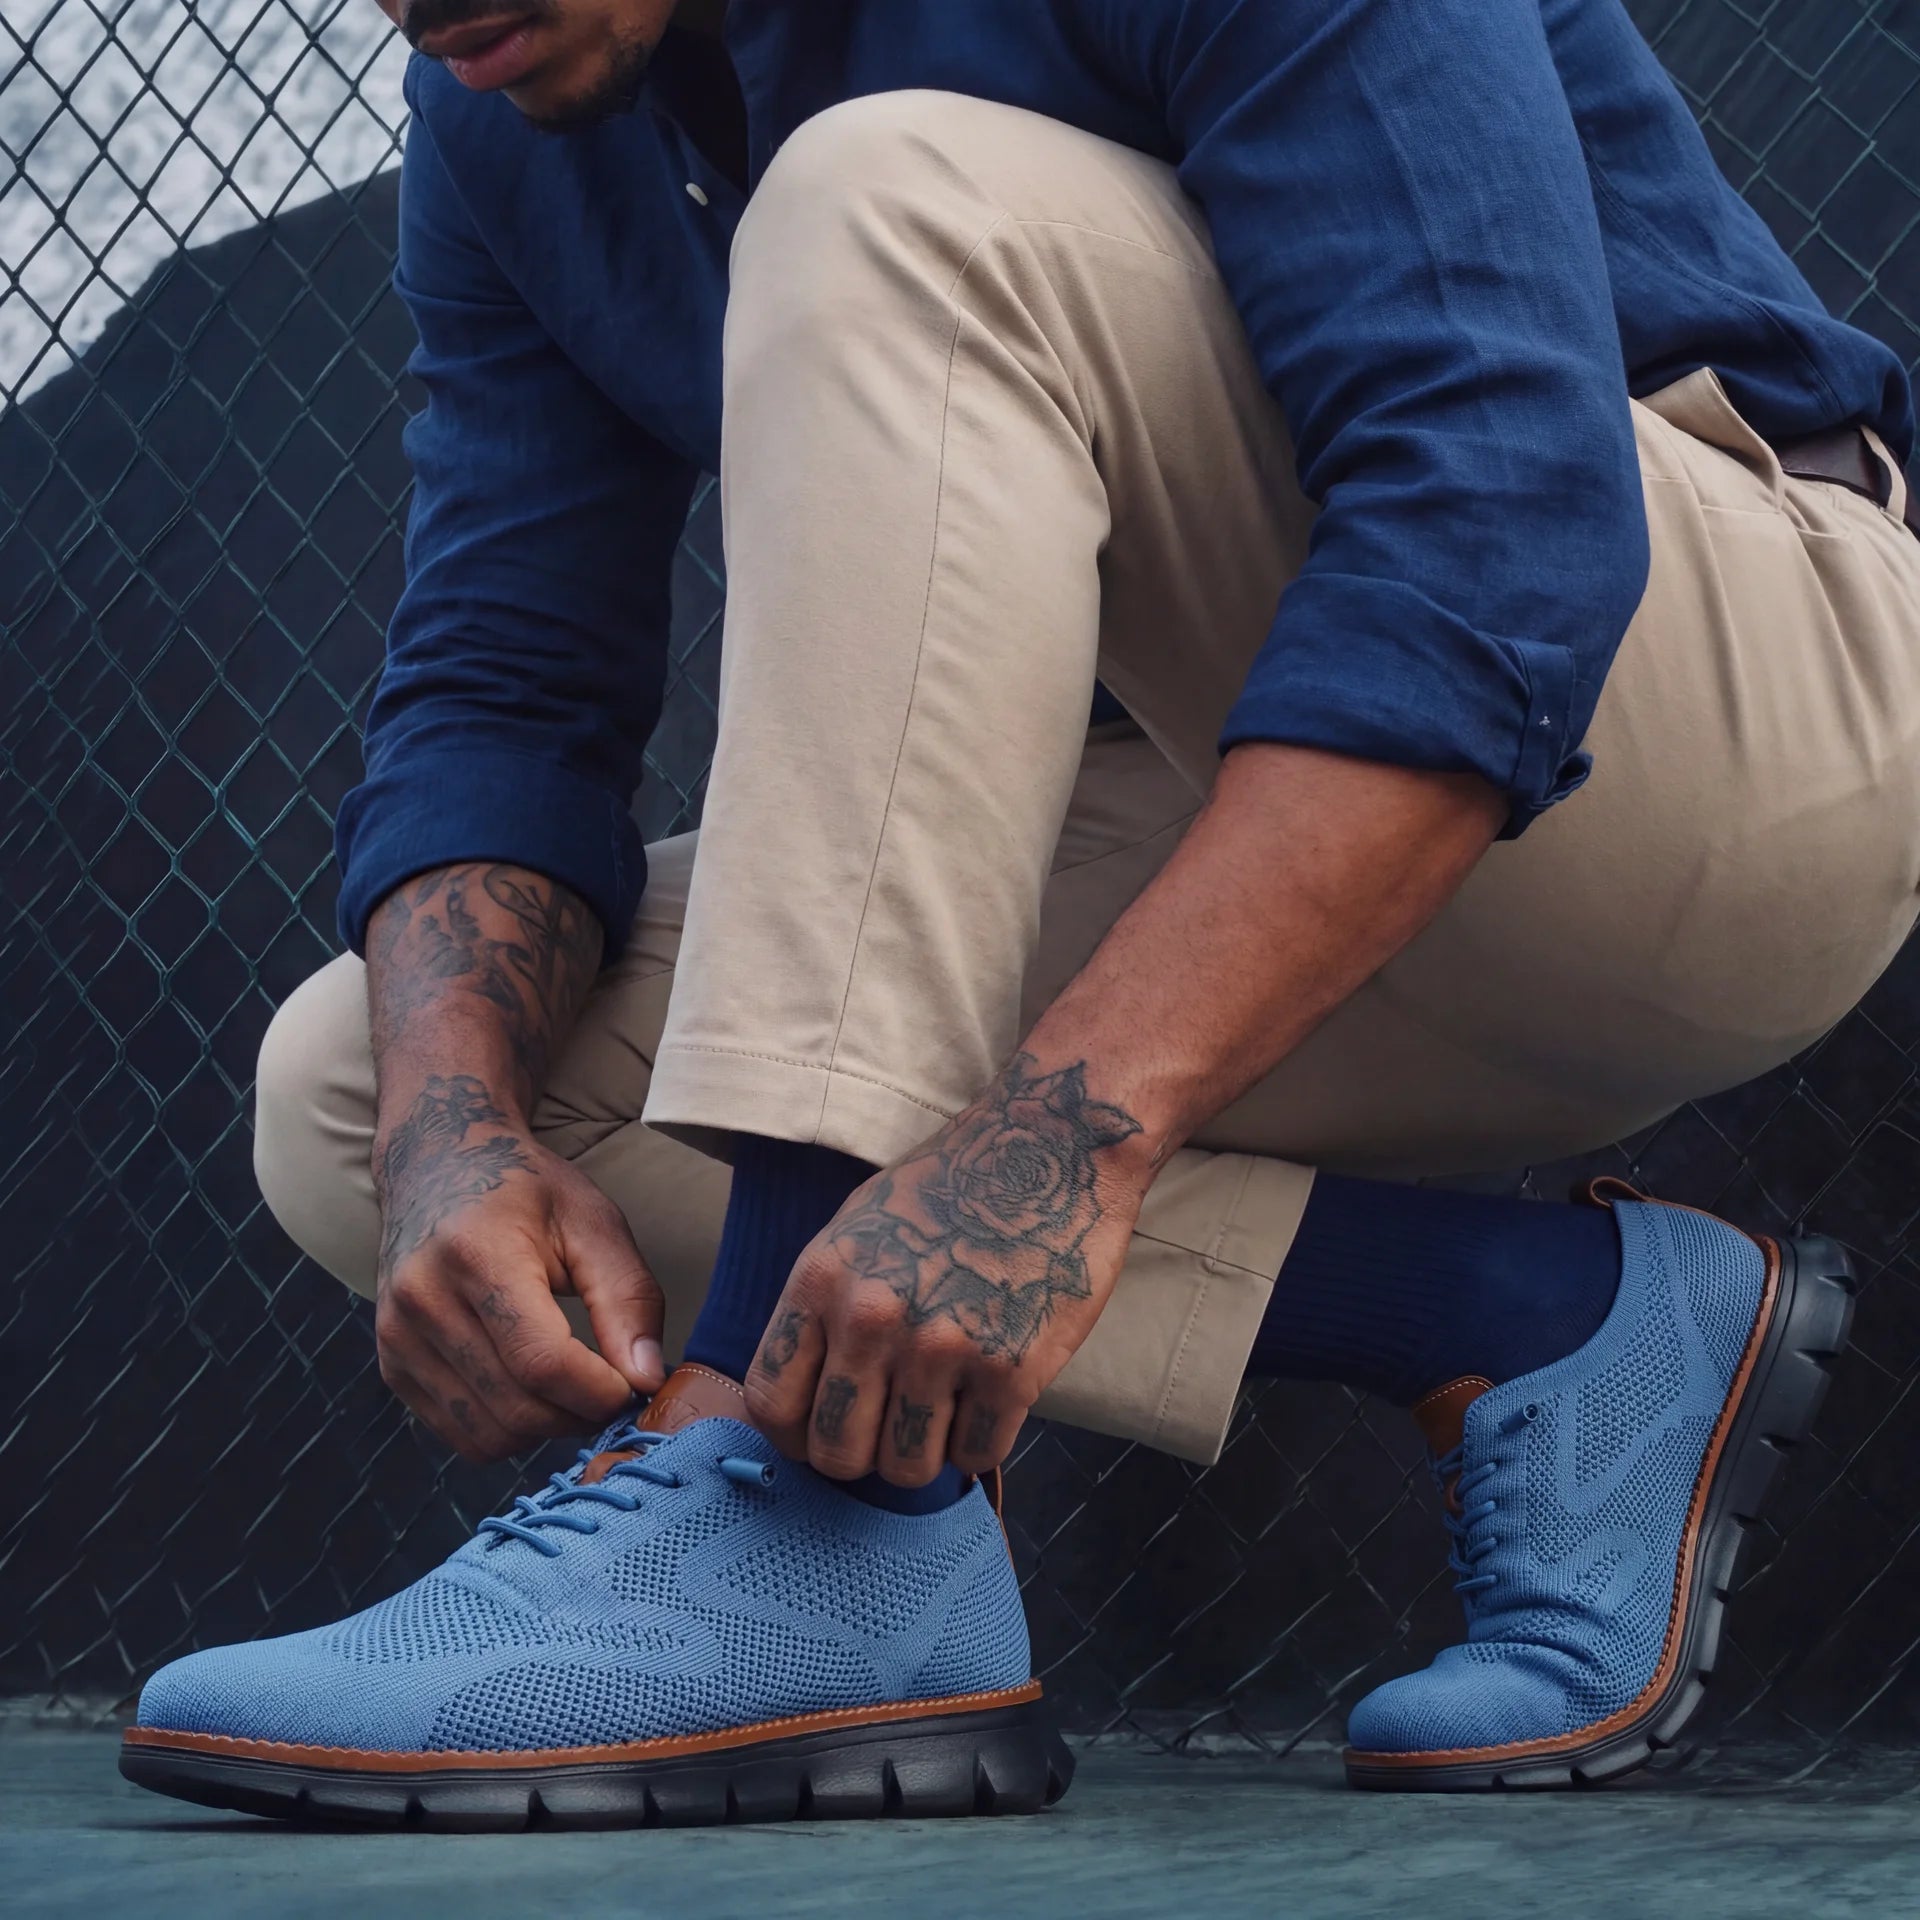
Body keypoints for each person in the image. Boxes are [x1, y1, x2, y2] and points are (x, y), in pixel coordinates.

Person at [121, 0, 1916, 1824]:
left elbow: (1502, 524)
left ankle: (808, 1514)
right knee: (366, 1088)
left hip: (1724, 735)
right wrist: (451, 1140)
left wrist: (1068, 1137)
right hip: (1248, 838)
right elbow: (505, 682)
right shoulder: (504, 105)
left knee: (887, 186)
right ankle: (1544, 1319)